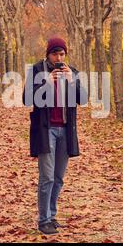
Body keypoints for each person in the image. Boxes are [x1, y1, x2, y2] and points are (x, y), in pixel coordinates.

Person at [22, 37, 87, 235]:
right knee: (47, 177)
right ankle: (43, 220)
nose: (58, 58)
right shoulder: (36, 70)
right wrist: (45, 83)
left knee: (58, 178)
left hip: (65, 131)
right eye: (55, 53)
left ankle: (51, 215)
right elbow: (26, 99)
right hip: (45, 130)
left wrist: (72, 81)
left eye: (62, 54)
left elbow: (83, 100)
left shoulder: (72, 72)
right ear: (48, 54)